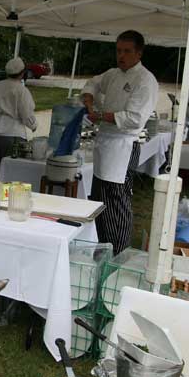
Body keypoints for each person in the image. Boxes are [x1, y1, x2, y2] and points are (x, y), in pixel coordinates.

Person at [81, 30, 157, 254]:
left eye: (127, 51)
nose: (121, 56)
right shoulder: (112, 74)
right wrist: (89, 97)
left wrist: (101, 115)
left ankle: (119, 250)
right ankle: (100, 244)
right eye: (118, 51)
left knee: (117, 199)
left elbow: (134, 118)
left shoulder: (145, 80)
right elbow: (93, 83)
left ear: (139, 53)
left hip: (124, 145)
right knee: (99, 198)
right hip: (105, 143)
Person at [0, 57, 37, 177]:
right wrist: (33, 126)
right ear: (22, 73)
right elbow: (26, 113)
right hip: (13, 133)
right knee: (11, 171)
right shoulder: (21, 90)